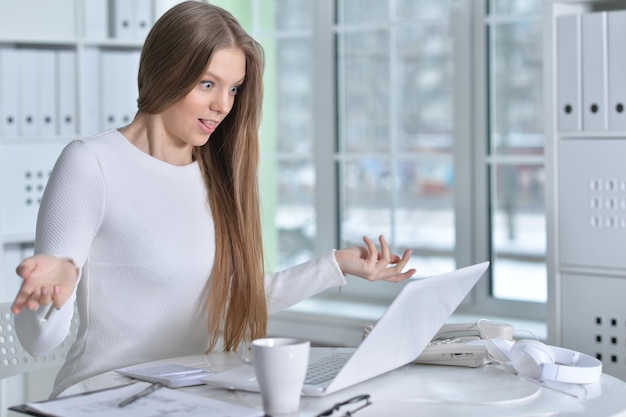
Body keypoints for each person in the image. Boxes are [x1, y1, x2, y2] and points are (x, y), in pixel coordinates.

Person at [10, 1, 415, 399]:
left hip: (184, 397)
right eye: (208, 84)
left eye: (233, 88)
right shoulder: (92, 163)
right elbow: (39, 341)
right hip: (101, 398)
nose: (223, 105)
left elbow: (234, 297)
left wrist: (337, 266)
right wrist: (56, 292)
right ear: (166, 72)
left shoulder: (215, 174)